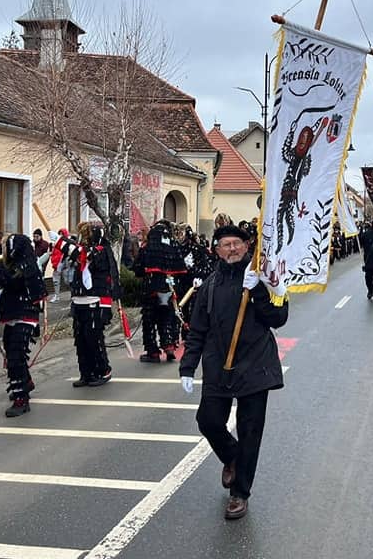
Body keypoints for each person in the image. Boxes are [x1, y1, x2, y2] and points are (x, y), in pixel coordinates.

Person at [179, 223, 288, 520]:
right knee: (208, 421)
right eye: (225, 245)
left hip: (255, 366)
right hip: (219, 366)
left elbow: (278, 318)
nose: (231, 249)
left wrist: (259, 292)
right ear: (216, 250)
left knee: (250, 431)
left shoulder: (261, 279)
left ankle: (240, 493)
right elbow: (197, 330)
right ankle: (231, 457)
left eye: (236, 244)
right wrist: (187, 367)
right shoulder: (210, 285)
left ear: (246, 247)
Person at [0, 234, 46, 417]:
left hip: (24, 315)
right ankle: (25, 382)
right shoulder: (15, 265)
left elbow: (10, 282)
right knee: (11, 352)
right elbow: (5, 284)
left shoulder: (25, 266)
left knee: (16, 356)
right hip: (13, 313)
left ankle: (21, 399)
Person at [66, 223, 121, 387]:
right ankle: (86, 372)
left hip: (94, 302)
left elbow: (87, 257)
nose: (84, 239)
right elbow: (77, 257)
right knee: (80, 339)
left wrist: (63, 242)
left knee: (93, 338)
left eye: (86, 235)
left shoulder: (101, 251)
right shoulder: (81, 251)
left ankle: (102, 370)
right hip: (79, 300)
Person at [133, 220, 187, 362]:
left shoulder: (147, 247)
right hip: (168, 288)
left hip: (151, 288)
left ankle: (153, 352)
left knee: (149, 319)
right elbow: (182, 269)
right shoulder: (174, 246)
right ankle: (168, 346)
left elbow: (138, 269)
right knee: (166, 316)